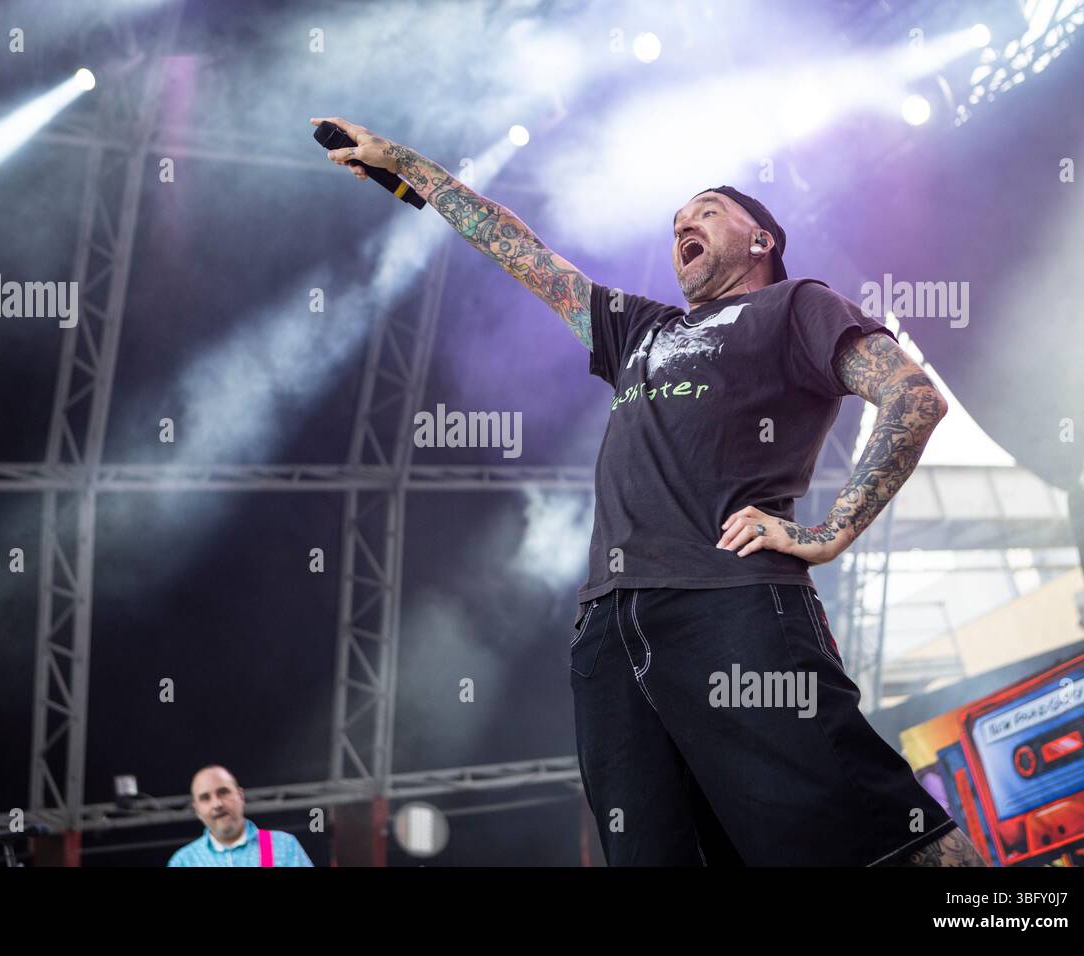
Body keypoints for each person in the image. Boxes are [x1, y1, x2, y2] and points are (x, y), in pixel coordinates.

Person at [309, 116, 986, 867]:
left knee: (862, 825)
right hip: (606, 632)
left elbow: (913, 398)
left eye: (706, 211)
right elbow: (521, 252)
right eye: (675, 223)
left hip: (728, 601)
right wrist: (406, 165)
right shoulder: (639, 330)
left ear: (760, 240)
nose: (683, 226)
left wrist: (829, 532)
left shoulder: (794, 306)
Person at [168, 765, 313, 867]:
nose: (217, 804)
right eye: (205, 798)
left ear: (240, 796)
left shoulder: (283, 846)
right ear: (197, 810)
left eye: (223, 792)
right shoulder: (184, 861)